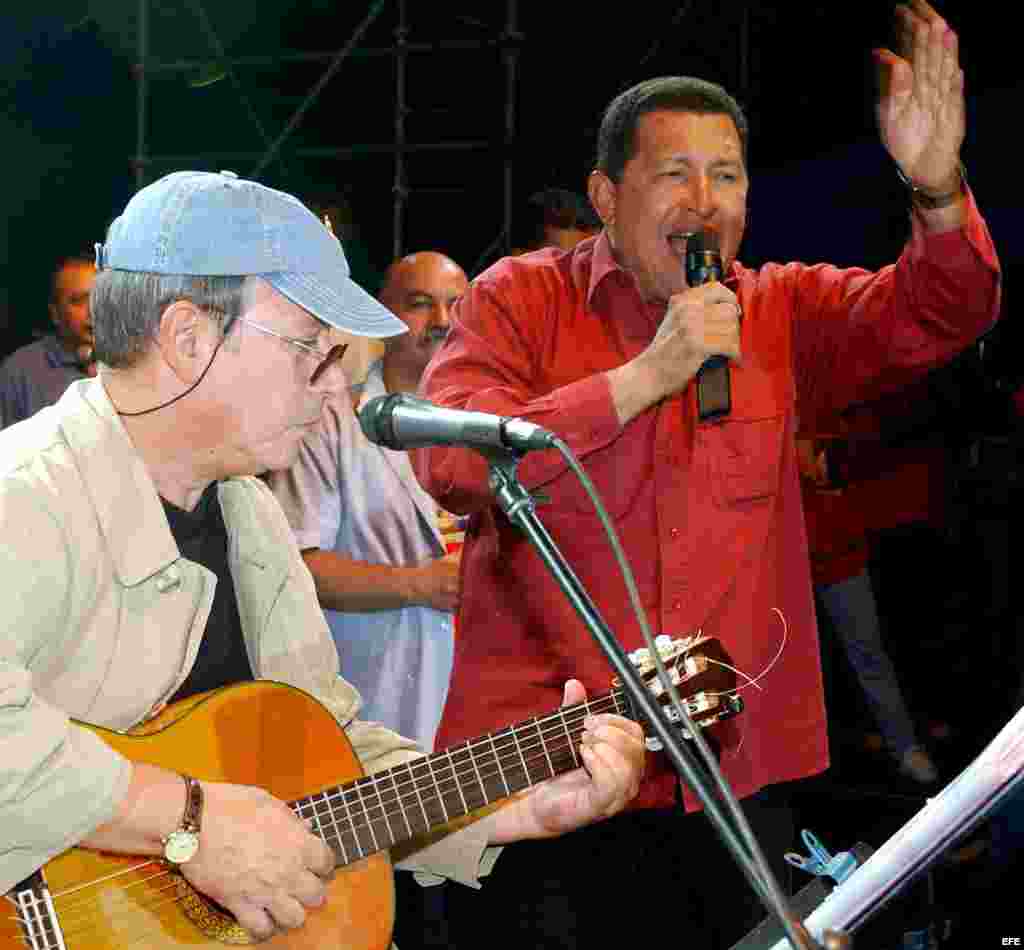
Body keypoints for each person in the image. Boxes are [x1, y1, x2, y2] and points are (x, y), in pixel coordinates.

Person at [412, 3, 1000, 948]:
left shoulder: (780, 310)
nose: (704, 200)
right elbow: (450, 461)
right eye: (674, 173)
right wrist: (645, 378)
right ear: (604, 197)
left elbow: (941, 312)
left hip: (732, 771)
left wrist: (934, 192)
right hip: (548, 771)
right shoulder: (518, 298)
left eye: (726, 176)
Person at [0, 170, 645, 945]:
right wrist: (191, 823)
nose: (336, 379)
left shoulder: (251, 518)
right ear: (186, 339)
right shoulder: (26, 497)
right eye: (310, 345)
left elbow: (330, 761)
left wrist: (517, 805)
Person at [268, 250, 469, 752]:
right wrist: (419, 584)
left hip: (477, 687)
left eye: (456, 305)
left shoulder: (492, 420)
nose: (442, 321)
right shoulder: (329, 419)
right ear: (383, 316)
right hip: (374, 681)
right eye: (421, 304)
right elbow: (296, 569)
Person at [796, 433, 938, 784]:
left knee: (869, 654)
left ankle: (904, 746)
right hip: (784, 560)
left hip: (835, 550)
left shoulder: (814, 404)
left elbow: (828, 467)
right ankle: (805, 765)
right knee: (799, 670)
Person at [0, 252, 96, 427]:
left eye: (99, 297)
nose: (93, 310)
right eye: (78, 301)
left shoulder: (134, 359)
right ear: (55, 313)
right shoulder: (20, 370)